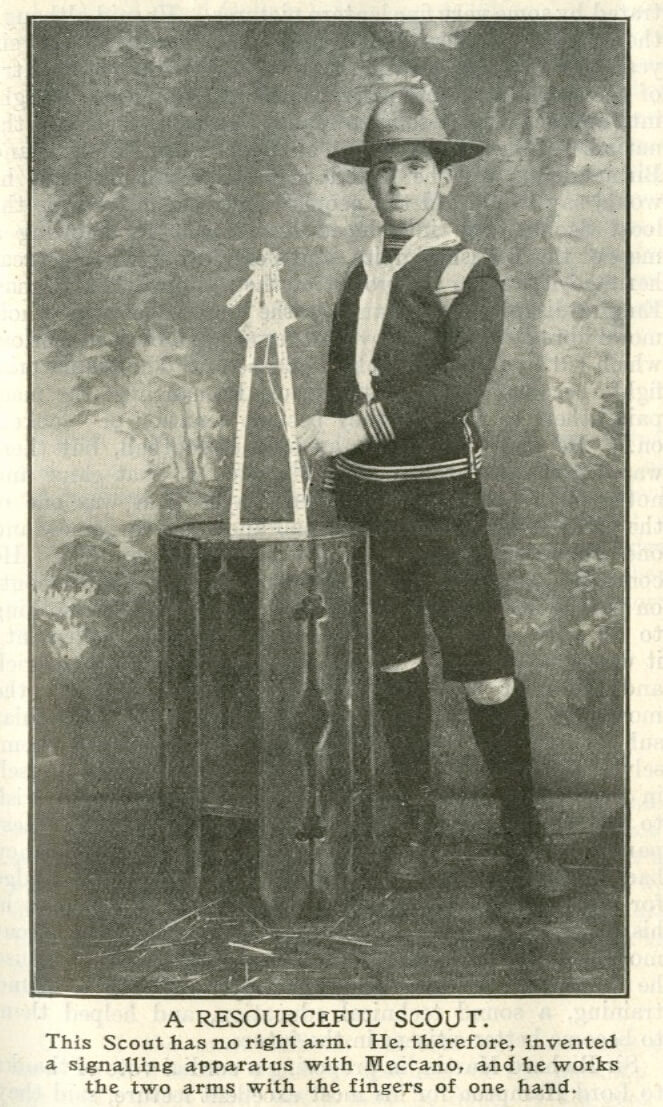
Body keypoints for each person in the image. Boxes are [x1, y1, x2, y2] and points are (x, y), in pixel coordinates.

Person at [296, 81, 569, 899]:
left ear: (444, 178)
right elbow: (339, 384)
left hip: (441, 504)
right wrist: (329, 455)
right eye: (383, 169)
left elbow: (458, 388)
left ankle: (523, 835)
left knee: (483, 671)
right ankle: (418, 821)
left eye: (413, 166)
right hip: (366, 507)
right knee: (393, 665)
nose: (398, 183)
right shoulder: (356, 275)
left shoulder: (465, 273)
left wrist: (353, 429)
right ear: (368, 181)